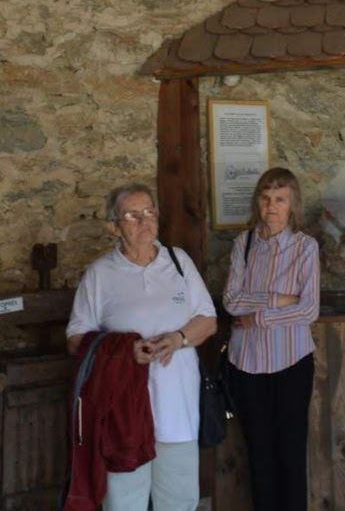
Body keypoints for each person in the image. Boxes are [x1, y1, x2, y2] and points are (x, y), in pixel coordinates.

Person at [66, 184, 217, 511]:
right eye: (132, 215)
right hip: (123, 416)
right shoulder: (99, 274)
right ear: (113, 227)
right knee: (124, 503)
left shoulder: (179, 262)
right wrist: (124, 351)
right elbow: (76, 338)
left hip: (178, 411)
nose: (144, 221)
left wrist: (178, 338)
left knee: (179, 502)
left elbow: (208, 320)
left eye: (149, 212)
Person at [223, 167, 320, 511]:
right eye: (265, 199)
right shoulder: (244, 243)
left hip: (291, 362)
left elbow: (309, 310)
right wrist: (280, 300)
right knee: (259, 456)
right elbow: (231, 301)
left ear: (293, 204)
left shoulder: (305, 247)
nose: (272, 206)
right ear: (257, 203)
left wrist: (258, 317)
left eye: (280, 199)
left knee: (291, 456)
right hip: (247, 364)